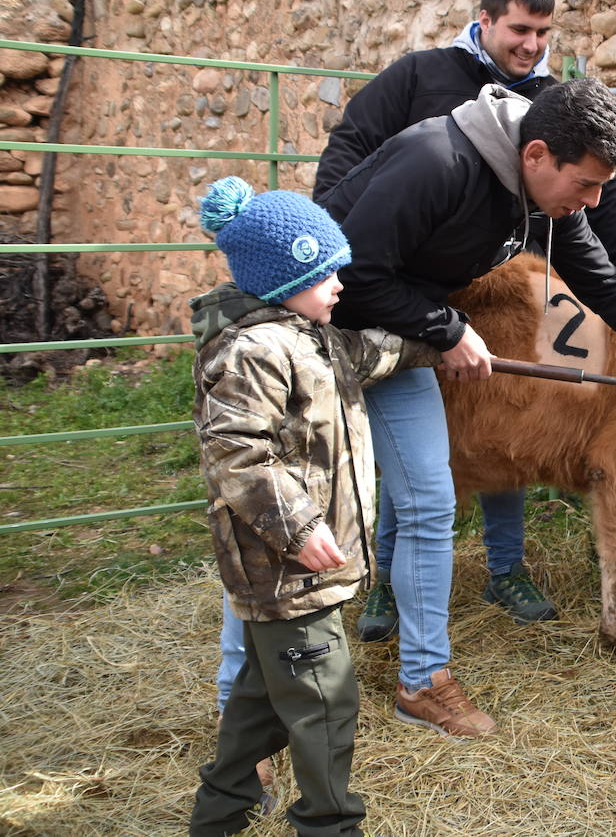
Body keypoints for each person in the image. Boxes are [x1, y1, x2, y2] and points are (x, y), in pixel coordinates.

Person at [313, 76, 616, 740]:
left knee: (428, 501)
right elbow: (348, 276)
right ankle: (252, 707)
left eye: (599, 188)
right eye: (585, 185)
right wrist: (447, 328)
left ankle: (422, 680)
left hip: (400, 340)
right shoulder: (435, 163)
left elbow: (607, 286)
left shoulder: (539, 196)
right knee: (288, 516)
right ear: (535, 156)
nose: (591, 202)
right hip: (317, 340)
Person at [315, 0, 616, 633]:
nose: (530, 45)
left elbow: (598, 208)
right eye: (520, 29)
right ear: (487, 18)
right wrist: (338, 231)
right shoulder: (421, 77)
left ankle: (507, 569)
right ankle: (383, 578)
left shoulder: (555, 103)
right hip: (412, 291)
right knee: (413, 444)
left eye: (543, 32)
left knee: (510, 430)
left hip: (514, 296)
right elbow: (353, 147)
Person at [188, 176, 436, 837]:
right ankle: (330, 825)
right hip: (286, 568)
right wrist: (297, 528)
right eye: (324, 271)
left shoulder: (308, 334)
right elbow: (238, 455)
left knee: (263, 700)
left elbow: (372, 353)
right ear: (280, 277)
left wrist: (443, 343)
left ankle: (220, 812)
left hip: (305, 571)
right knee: (327, 702)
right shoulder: (253, 353)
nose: (339, 283)